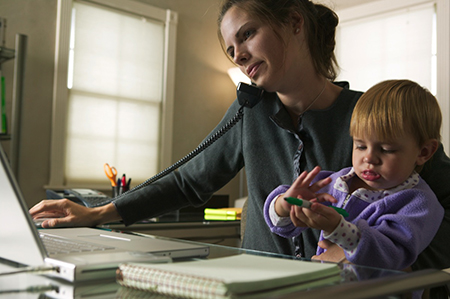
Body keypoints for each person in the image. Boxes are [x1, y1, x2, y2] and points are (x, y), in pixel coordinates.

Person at [30, 1, 450, 296]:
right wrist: (99, 213)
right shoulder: (248, 112)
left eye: (248, 34)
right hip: (259, 288)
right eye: (232, 48)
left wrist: (402, 264)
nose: (239, 55)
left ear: (294, 22)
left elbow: (439, 202)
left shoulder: (374, 118)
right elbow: (187, 181)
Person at [264, 79, 444, 271]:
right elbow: (283, 226)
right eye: (360, 146)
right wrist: (284, 204)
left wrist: (339, 229)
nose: (369, 158)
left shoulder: (419, 203)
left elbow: (391, 254)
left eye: (386, 149)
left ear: (424, 152)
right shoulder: (336, 183)